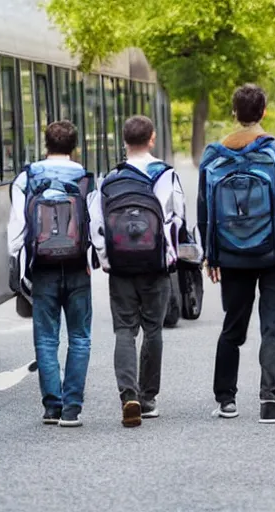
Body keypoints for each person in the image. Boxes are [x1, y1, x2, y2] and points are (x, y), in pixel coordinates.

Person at [198, 84, 275, 424]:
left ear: (235, 113)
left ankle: (226, 399)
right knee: (272, 325)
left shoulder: (213, 154)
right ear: (263, 112)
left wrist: (210, 254)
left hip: (231, 253)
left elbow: (205, 209)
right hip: (273, 252)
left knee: (233, 325)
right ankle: (269, 399)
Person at [90, 115, 186, 428]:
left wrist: (106, 258)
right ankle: (148, 398)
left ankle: (127, 395)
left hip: (120, 265)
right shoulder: (166, 175)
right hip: (156, 265)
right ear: (152, 138)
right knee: (153, 329)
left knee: (124, 329)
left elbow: (97, 224)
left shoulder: (110, 178)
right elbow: (177, 219)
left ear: (124, 141)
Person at [7, 120, 95, 427]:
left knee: (46, 339)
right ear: (74, 146)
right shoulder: (85, 177)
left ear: (46, 144)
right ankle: (72, 408)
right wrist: (95, 259)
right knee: (80, 338)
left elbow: (17, 228)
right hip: (77, 266)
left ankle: (51, 407)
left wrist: (20, 267)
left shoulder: (27, 177)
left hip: (42, 267)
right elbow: (95, 227)